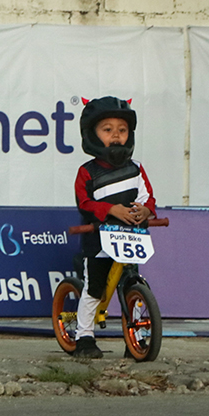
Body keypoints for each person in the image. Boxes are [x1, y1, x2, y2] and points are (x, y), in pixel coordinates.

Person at [73, 96, 156, 358]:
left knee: (132, 284)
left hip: (131, 238)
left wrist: (146, 210)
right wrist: (110, 209)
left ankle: (137, 338)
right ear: (92, 135)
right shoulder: (87, 172)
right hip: (99, 242)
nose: (116, 137)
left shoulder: (137, 169)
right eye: (107, 130)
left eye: (122, 130)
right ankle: (84, 336)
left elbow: (147, 197)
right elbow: (85, 203)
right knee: (94, 288)